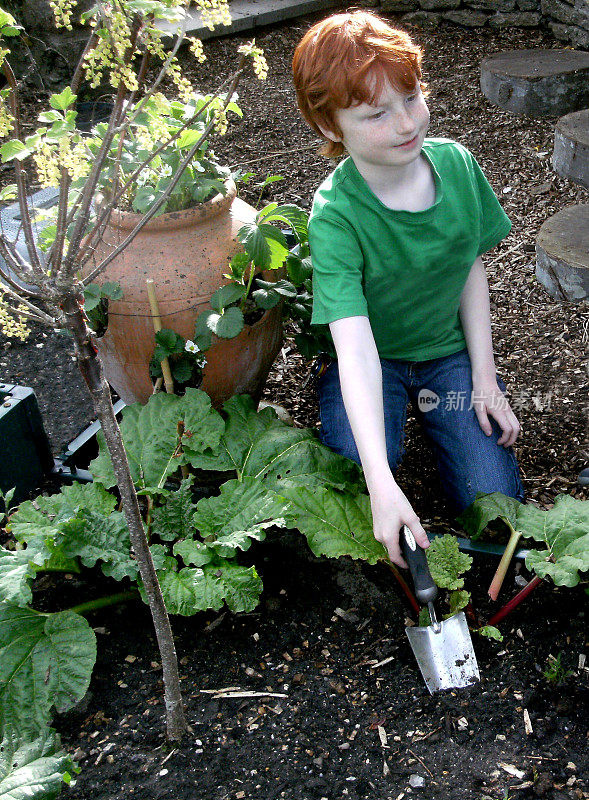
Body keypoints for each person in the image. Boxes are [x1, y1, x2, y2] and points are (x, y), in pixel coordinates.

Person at [292, 10, 525, 568]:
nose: (406, 125)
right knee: (358, 465)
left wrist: (485, 379)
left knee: (495, 501)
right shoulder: (335, 216)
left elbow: (469, 266)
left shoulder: (458, 167)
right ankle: (375, 435)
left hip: (446, 356)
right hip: (379, 361)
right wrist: (381, 485)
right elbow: (355, 348)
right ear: (330, 127)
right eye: (376, 114)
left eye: (413, 97)